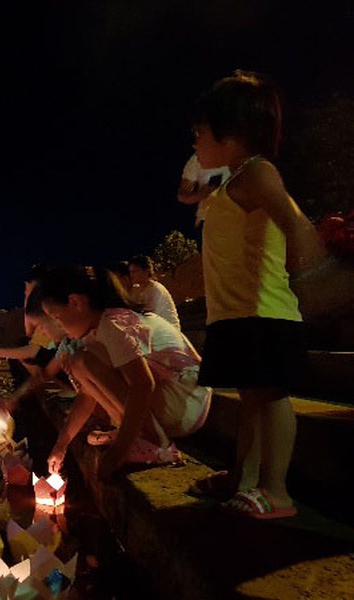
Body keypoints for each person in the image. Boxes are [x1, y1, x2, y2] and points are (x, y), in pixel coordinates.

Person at [188, 70, 328, 519]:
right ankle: (243, 480)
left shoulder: (256, 172)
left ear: (230, 135)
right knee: (251, 399)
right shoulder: (231, 183)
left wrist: (309, 274)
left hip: (264, 310)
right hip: (236, 314)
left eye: (200, 133)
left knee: (270, 397)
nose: (195, 143)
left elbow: (293, 221)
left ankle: (276, 490)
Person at [34, 265, 211, 482]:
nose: (57, 325)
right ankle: (141, 437)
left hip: (186, 400)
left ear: (75, 302)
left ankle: (158, 444)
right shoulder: (96, 331)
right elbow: (88, 395)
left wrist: (117, 453)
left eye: (56, 316)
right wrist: (61, 444)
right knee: (80, 361)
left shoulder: (114, 323)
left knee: (81, 360)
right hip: (177, 401)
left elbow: (143, 384)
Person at [0, 264, 58, 381]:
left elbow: (32, 349)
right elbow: (29, 334)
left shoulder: (50, 316)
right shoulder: (45, 320)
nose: (27, 297)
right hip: (51, 363)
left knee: (24, 351)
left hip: (52, 363)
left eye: (28, 292)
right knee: (21, 349)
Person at [178, 152, 231, 229]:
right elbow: (182, 196)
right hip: (208, 219)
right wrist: (201, 194)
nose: (195, 145)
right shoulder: (199, 157)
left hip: (236, 219)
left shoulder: (244, 154)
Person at [128, 255, 181, 330]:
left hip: (167, 331)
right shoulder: (137, 290)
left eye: (134, 272)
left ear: (146, 271)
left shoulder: (155, 289)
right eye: (130, 272)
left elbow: (148, 316)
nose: (131, 275)